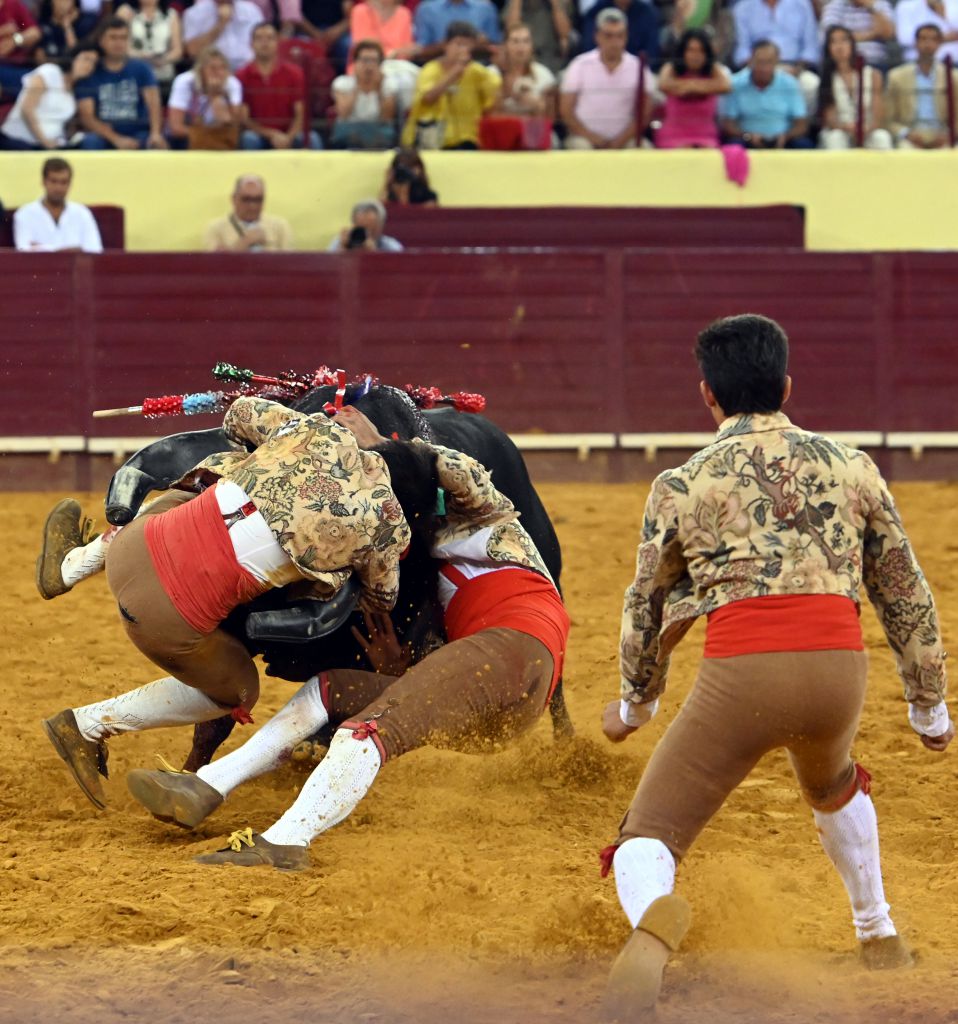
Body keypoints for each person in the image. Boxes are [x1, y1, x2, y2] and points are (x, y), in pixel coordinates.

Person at [600, 314, 951, 1017]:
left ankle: (652, 929)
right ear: (787, 384)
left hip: (742, 674)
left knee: (648, 835)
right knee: (833, 783)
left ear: (707, 395)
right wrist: (929, 706)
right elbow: (904, 587)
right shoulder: (853, 464)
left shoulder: (682, 482)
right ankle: (877, 931)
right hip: (837, 672)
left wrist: (637, 703)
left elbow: (647, 601)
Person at [122, 405, 570, 872]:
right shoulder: (424, 566)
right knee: (330, 689)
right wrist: (398, 666)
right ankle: (207, 784)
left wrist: (378, 447)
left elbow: (454, 467)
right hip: (492, 700)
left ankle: (287, 841)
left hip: (517, 651)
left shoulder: (488, 513)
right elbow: (442, 676)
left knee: (370, 730)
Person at [39, 397, 435, 812]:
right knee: (240, 689)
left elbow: (240, 413)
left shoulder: (323, 432)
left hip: (133, 544)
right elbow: (382, 597)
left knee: (216, 475)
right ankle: (86, 726)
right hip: (162, 614)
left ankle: (73, 565)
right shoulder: (388, 523)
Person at [559, 8, 653, 149]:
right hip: (584, 138)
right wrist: (593, 138)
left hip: (626, 139)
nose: (614, 42)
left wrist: (619, 141)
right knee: (580, 148)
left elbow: (645, 113)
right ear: (597, 36)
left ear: (626, 37)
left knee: (644, 149)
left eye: (619, 36)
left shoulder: (638, 67)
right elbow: (566, 111)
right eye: (608, 36)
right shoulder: (580, 65)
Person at [401, 21, 500, 150]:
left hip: (469, 141)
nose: (463, 50)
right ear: (446, 45)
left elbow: (495, 100)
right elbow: (427, 97)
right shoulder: (430, 70)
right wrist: (455, 72)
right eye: (459, 44)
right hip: (433, 140)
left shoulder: (478, 72)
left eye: (467, 45)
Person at [75, 16, 168, 149]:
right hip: (104, 135)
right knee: (91, 141)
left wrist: (155, 133)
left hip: (138, 132)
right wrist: (116, 139)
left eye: (123, 38)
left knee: (153, 142)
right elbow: (87, 117)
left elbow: (154, 104)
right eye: (113, 37)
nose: (118, 43)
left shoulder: (142, 68)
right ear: (101, 40)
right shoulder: (90, 71)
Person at [0, 42, 98, 150]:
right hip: (20, 142)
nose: (89, 65)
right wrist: (44, 141)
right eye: (86, 59)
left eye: (94, 62)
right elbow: (27, 108)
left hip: (52, 146)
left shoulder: (74, 93)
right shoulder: (50, 72)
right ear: (72, 58)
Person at [237, 22, 318, 150]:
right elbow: (244, 119)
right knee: (248, 139)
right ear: (251, 44)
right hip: (259, 135)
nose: (265, 43)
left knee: (312, 139)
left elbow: (300, 114)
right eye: (259, 38)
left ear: (278, 42)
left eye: (270, 38)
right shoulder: (241, 76)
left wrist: (288, 137)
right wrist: (272, 135)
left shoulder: (294, 73)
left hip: (290, 133)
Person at [720, 40, 812, 148]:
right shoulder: (736, 83)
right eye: (760, 62)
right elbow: (728, 124)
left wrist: (785, 136)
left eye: (769, 62)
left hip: (783, 140)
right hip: (747, 139)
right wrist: (748, 136)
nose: (764, 68)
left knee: (803, 145)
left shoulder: (789, 83)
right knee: (733, 146)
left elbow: (801, 124)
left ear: (777, 62)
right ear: (751, 61)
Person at [817, 25, 891, 149]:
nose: (839, 46)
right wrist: (848, 128)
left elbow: (878, 114)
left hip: (867, 128)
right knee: (836, 138)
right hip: (840, 129)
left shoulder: (873, 75)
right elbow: (829, 117)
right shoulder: (827, 77)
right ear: (828, 48)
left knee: (881, 137)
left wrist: (866, 129)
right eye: (833, 42)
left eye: (844, 40)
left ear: (852, 44)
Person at [655, 27, 729, 149]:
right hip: (674, 135)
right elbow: (663, 84)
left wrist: (688, 87)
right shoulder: (672, 68)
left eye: (701, 51)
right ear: (683, 52)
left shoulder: (713, 70)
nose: (696, 56)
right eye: (691, 50)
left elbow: (725, 86)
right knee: (684, 151)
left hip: (706, 136)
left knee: (708, 155)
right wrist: (704, 87)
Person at [886, 23, 958, 148]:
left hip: (943, 135)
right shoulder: (897, 76)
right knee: (904, 150)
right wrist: (906, 133)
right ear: (915, 43)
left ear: (939, 44)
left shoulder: (953, 77)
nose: (927, 44)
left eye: (933, 39)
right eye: (923, 39)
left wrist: (949, 135)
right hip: (911, 135)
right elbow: (888, 118)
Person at [13, 156, 103, 252]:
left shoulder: (82, 213)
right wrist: (71, 251)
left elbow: (95, 251)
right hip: (38, 267)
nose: (58, 188)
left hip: (76, 267)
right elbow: (23, 253)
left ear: (70, 184)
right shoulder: (24, 214)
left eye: (63, 182)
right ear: (44, 182)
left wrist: (41, 248)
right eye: (53, 181)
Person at [167, 46, 243, 149]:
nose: (219, 73)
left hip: (219, 136)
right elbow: (176, 127)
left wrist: (215, 96)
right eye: (213, 68)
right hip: (189, 134)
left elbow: (232, 124)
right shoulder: (184, 82)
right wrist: (204, 135)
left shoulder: (232, 84)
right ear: (201, 70)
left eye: (223, 68)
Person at [331, 38, 399, 148]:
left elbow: (386, 118)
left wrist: (379, 89)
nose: (369, 66)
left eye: (373, 61)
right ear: (355, 62)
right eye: (365, 60)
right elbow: (343, 115)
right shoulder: (342, 82)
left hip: (377, 131)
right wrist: (358, 85)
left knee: (386, 133)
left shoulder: (388, 84)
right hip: (350, 130)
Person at [204, 174, 294, 251]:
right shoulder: (215, 228)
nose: (253, 206)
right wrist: (244, 242)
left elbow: (289, 264)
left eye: (258, 200)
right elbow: (214, 266)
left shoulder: (280, 226)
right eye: (246, 199)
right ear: (234, 199)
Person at [492, 21, 557, 119]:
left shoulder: (544, 74)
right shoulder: (491, 73)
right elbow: (487, 113)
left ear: (532, 46)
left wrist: (536, 106)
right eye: (515, 41)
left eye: (526, 41)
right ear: (505, 45)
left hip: (534, 130)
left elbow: (551, 117)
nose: (521, 47)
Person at [732, 0, 819, 69]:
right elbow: (742, 49)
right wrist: (757, 69)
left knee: (811, 84)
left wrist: (797, 70)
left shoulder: (802, 4)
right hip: (756, 67)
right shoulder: (742, 8)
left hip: (793, 65)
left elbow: (810, 47)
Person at [117, 0, 183, 89]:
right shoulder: (125, 12)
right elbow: (119, 45)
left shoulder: (171, 14)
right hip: (133, 74)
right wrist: (141, 56)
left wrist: (162, 60)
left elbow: (177, 50)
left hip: (163, 75)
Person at [412, 0, 502, 62]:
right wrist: (447, 45)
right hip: (438, 67)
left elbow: (495, 47)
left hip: (479, 66)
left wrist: (477, 45)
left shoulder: (485, 8)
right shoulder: (426, 9)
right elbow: (421, 52)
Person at [182, 0, 261, 70]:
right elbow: (192, 51)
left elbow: (263, 43)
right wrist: (221, 24)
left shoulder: (252, 11)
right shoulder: (194, 13)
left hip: (249, 70)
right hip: (212, 72)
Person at [819, 0, 895, 71]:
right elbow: (832, 37)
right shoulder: (834, 6)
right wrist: (874, 34)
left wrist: (871, 7)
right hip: (845, 65)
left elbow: (888, 33)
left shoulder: (880, 3)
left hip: (876, 63)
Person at [503, 0, 572, 75]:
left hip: (549, 57)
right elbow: (511, 30)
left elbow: (565, 33)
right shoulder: (514, 2)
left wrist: (555, 4)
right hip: (522, 58)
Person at [578, 0, 659, 62]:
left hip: (637, 70)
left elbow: (651, 50)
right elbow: (589, 47)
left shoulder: (647, 13)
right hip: (599, 67)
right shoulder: (595, 12)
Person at [0, 0, 42, 100]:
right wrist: (3, 31)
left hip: (20, 67)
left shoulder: (12, 4)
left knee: (46, 75)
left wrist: (15, 40)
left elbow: (35, 32)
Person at [349, 0, 416, 61]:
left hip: (397, 67)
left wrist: (394, 53)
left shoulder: (404, 13)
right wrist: (392, 53)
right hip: (366, 67)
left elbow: (407, 52)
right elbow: (362, 48)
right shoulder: (360, 11)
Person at [327, 198, 403, 251]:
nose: (366, 234)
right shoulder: (340, 243)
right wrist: (342, 253)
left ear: (380, 227)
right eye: (361, 229)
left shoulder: (390, 247)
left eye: (371, 229)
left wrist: (375, 256)